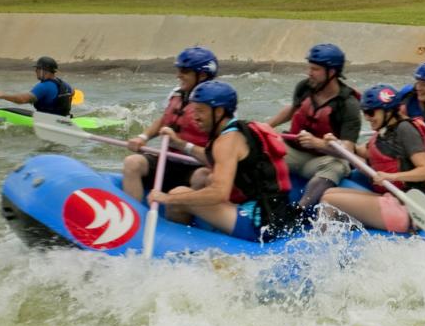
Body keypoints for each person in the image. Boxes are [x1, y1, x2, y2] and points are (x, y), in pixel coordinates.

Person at [150, 81, 304, 243]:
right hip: (277, 214)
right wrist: (181, 144)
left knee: (177, 194)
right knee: (203, 175)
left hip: (259, 225)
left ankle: (175, 245)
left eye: (200, 111)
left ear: (219, 112)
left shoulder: (226, 141)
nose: (195, 117)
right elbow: (215, 158)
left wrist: (166, 199)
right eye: (194, 110)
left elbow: (218, 193)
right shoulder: (242, 129)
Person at [321, 84, 425, 233]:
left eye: (371, 112)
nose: (367, 118)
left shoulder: (405, 129)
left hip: (407, 209)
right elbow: (362, 151)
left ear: (388, 111)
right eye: (365, 113)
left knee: (329, 201)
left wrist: (391, 176)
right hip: (391, 198)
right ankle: (335, 236)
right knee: (328, 193)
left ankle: (323, 245)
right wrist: (336, 142)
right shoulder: (384, 132)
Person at [266, 43, 362, 208]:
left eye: (315, 69)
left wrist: (317, 143)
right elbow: (293, 109)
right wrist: (266, 126)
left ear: (331, 73)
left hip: (321, 160)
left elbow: (348, 150)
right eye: (309, 68)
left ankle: (300, 210)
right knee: (260, 147)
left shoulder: (348, 104)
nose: (309, 73)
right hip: (292, 151)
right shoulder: (305, 87)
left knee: (337, 165)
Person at [122, 47, 218, 203]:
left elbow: (219, 155)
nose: (178, 75)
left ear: (202, 75)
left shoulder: (218, 106)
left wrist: (180, 144)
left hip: (196, 166)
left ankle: (183, 221)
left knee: (203, 177)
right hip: (168, 160)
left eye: (185, 71)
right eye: (179, 69)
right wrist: (143, 137)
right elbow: (165, 119)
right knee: (132, 162)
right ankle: (133, 217)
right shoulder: (176, 93)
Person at [0, 56, 74, 116]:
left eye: (38, 69)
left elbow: (22, 100)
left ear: (43, 70)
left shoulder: (44, 86)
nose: (35, 71)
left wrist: (2, 95)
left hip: (47, 120)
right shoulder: (66, 85)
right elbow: (72, 93)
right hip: (64, 118)